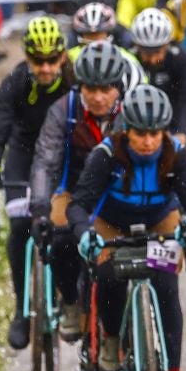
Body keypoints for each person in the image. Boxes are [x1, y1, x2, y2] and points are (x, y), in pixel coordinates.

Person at [68, 85, 186, 371]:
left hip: (160, 219)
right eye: (140, 134)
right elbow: (79, 205)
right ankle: (112, 340)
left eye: (154, 133)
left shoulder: (175, 153)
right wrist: (84, 233)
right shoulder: (105, 154)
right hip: (112, 222)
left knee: (166, 284)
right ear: (126, 130)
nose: (148, 141)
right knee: (108, 274)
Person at [29, 42, 130, 339]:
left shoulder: (131, 112)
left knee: (120, 260)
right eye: (90, 89)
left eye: (106, 89)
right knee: (61, 241)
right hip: (72, 191)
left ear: (119, 87)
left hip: (116, 194)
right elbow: (45, 161)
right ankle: (71, 302)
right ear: (79, 86)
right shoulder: (63, 111)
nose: (98, 97)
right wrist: (38, 210)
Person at [0, 16, 71, 350]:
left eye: (52, 60)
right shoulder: (16, 81)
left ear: (62, 56)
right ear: (27, 56)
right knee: (20, 226)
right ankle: (22, 309)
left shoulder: (73, 81)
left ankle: (68, 295)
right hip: (23, 155)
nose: (46, 68)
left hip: (61, 156)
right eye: (38, 60)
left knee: (67, 229)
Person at [127, 8, 186, 153]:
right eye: (146, 52)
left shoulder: (181, 59)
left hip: (173, 122)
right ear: (137, 47)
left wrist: (182, 131)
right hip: (137, 124)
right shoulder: (129, 59)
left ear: (167, 44)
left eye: (157, 52)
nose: (152, 59)